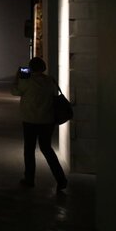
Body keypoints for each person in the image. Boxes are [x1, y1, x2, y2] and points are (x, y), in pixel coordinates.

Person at [10, 57, 68, 191]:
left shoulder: (27, 81)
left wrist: (17, 77)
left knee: (29, 150)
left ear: (30, 68)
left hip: (30, 120)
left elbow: (14, 91)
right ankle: (61, 179)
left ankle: (29, 179)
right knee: (47, 149)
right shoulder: (50, 80)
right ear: (43, 67)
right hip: (47, 121)